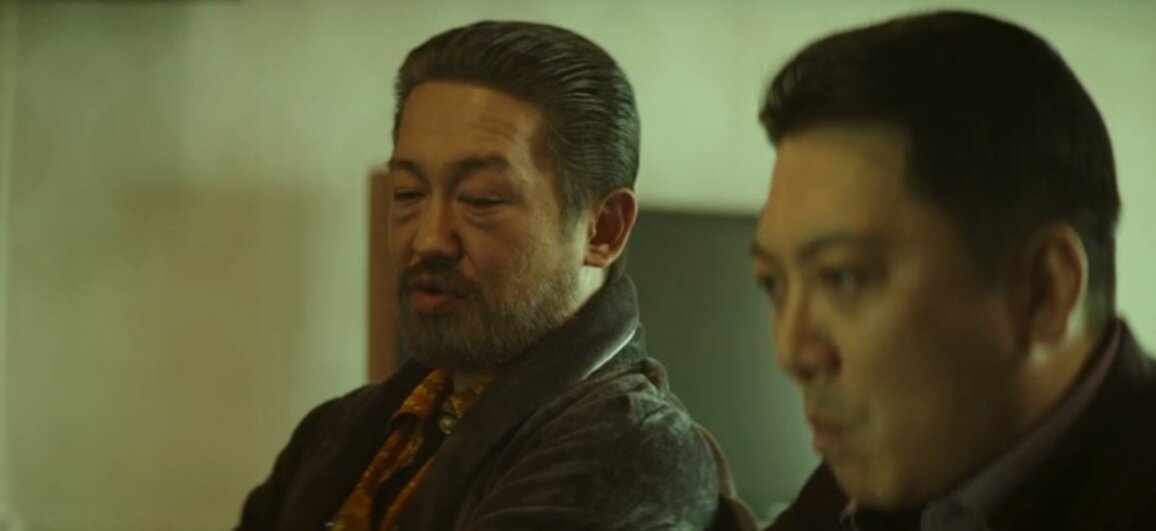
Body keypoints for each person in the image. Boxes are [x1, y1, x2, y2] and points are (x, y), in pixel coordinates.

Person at [236, 20, 739, 531]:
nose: (428, 239)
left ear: (603, 229)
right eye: (408, 193)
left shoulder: (631, 449)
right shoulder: (334, 432)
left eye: (481, 199)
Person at [749, 10, 1156, 531]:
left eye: (842, 277)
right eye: (772, 283)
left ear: (1044, 291)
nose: (790, 353)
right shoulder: (885, 471)